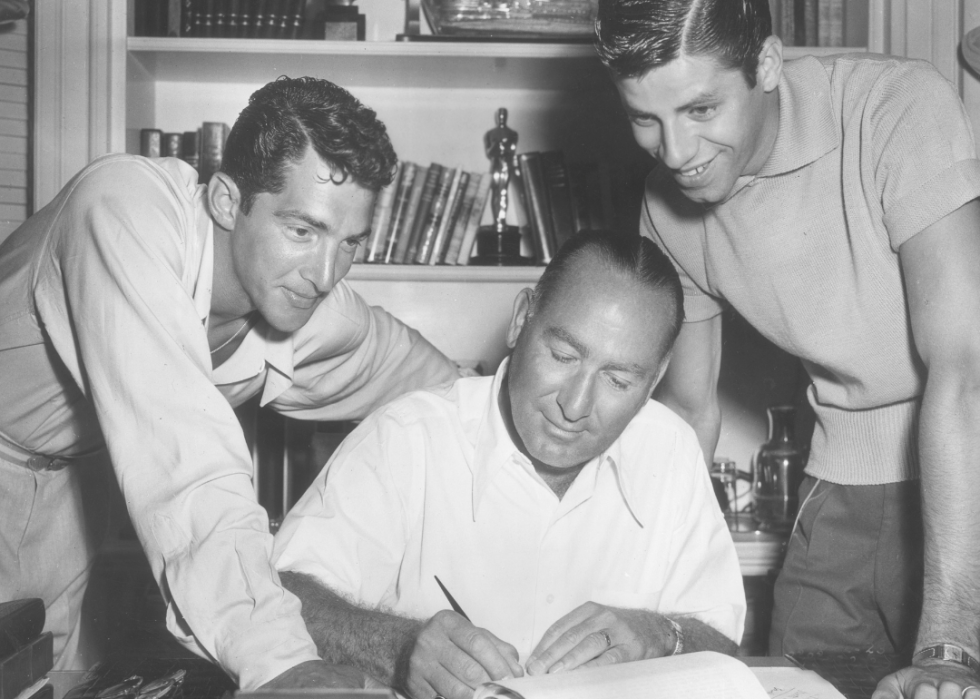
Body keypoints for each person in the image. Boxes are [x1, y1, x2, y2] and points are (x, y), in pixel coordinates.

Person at [0, 76, 460, 689]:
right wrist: (284, 663)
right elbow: (188, 459)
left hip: (71, 495)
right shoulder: (120, 205)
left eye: (349, 243)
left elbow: (432, 382)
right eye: (302, 230)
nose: (324, 274)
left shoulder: (309, 303)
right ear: (224, 199)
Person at [592, 1, 980, 698]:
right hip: (836, 477)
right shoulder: (664, 207)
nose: (675, 153)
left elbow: (967, 372)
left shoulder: (897, 107)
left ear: (767, 65)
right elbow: (687, 410)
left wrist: (952, 640)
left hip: (964, 458)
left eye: (701, 109)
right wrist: (642, 601)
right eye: (646, 119)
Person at [271, 231, 746, 699]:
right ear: (522, 319)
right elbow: (279, 597)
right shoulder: (407, 437)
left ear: (655, 378)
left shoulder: (671, 451)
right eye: (563, 355)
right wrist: (400, 647)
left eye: (618, 380)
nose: (575, 405)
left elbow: (722, 646)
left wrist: (663, 635)